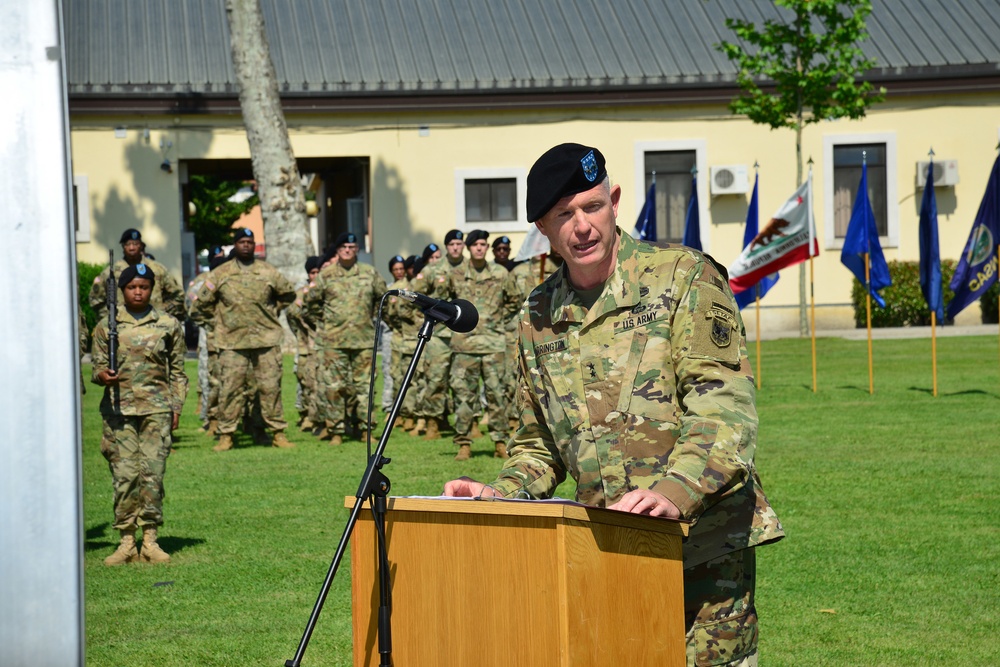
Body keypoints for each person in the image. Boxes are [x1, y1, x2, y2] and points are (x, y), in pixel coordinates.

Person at [444, 143, 784, 666]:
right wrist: (501, 492)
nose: (582, 227)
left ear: (615, 201)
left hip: (703, 549)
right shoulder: (538, 315)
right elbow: (538, 444)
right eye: (564, 215)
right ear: (544, 227)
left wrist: (675, 490)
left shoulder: (682, 277)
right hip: (606, 548)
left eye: (592, 206)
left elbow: (724, 410)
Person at [91, 263, 188, 565]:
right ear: (122, 291)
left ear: (152, 289)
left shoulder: (168, 324)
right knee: (124, 475)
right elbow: (95, 367)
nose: (138, 292)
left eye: (143, 287)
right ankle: (125, 541)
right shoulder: (107, 326)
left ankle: (150, 540)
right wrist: (102, 377)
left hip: (156, 410)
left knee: (152, 475)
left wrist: (176, 406)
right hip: (119, 411)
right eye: (132, 287)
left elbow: (178, 372)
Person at [190, 228, 297, 451]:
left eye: (250, 242)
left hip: (266, 340)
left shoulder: (268, 271)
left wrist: (272, 311)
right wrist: (217, 323)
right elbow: (199, 305)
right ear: (235, 245)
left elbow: (288, 294)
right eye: (242, 242)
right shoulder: (221, 273)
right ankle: (226, 434)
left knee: (270, 388)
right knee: (229, 389)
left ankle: (277, 433)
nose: (246, 245)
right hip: (231, 342)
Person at [305, 232, 387, 445]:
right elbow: (310, 302)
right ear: (338, 251)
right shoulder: (326, 275)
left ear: (357, 249)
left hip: (363, 340)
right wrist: (325, 323)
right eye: (344, 248)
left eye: (352, 247)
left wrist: (372, 318)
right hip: (335, 342)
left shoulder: (370, 274)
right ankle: (336, 430)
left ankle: (365, 429)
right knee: (335, 387)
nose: (348, 251)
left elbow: (383, 299)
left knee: (366, 388)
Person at [447, 229, 522, 460]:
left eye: (483, 244)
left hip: (493, 344)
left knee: (497, 394)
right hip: (464, 345)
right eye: (475, 244)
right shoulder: (456, 274)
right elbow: (447, 301)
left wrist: (497, 320)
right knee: (463, 395)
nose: (479, 247)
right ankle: (464, 443)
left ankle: (500, 441)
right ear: (469, 248)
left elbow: (514, 299)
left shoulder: (500, 273)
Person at [88, 228, 185, 324]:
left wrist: (163, 311)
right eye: (128, 244)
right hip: (122, 326)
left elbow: (178, 295)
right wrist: (111, 317)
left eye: (135, 244)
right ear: (123, 247)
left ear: (141, 246)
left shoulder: (157, 269)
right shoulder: (110, 272)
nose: (131, 248)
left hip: (154, 325)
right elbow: (96, 299)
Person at [286, 256, 322, 430]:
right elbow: (291, 315)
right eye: (312, 273)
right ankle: (306, 414)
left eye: (318, 272)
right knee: (305, 382)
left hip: (323, 345)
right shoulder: (301, 293)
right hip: (306, 346)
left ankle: (318, 418)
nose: (315, 275)